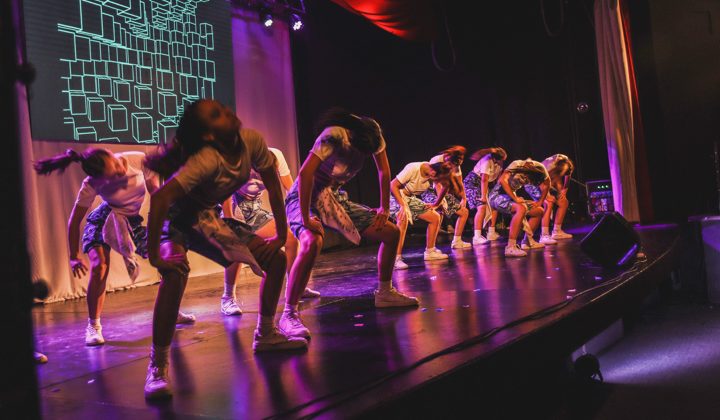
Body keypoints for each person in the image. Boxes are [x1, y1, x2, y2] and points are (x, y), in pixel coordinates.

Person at [142, 99, 307, 400]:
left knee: (278, 259)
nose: (228, 113)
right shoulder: (206, 159)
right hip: (178, 221)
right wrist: (155, 257)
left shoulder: (251, 141)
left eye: (222, 108)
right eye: (217, 115)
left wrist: (282, 232)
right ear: (207, 136)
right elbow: (161, 200)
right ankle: (157, 365)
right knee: (175, 273)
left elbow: (272, 182)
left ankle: (266, 333)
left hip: (208, 218)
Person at [33, 148, 195, 347]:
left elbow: (155, 194)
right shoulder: (91, 184)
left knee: (166, 257)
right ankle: (93, 326)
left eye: (118, 168)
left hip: (132, 221)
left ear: (111, 154)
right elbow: (74, 221)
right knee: (100, 266)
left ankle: (171, 311)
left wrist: (163, 224)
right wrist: (74, 255)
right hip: (104, 219)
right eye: (114, 176)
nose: (120, 173)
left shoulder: (138, 160)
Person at [282, 108, 419, 339]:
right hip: (304, 196)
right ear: (352, 139)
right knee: (312, 241)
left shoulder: (373, 133)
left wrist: (384, 208)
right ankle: (289, 313)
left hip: (334, 197)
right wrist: (306, 218)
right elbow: (306, 175)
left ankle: (385, 293)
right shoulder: (334, 135)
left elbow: (384, 172)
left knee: (390, 232)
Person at [219, 147, 320, 317]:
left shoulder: (276, 156)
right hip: (233, 210)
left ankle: (294, 287)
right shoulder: (237, 162)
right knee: (236, 247)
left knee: (289, 236)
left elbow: (291, 189)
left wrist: (304, 214)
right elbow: (226, 196)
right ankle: (227, 298)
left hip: (255, 212)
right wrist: (230, 224)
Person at [390, 160, 455, 270]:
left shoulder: (433, 173)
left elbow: (445, 187)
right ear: (433, 173)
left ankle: (430, 252)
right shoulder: (413, 168)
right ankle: (396, 259)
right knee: (403, 218)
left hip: (409, 198)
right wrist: (402, 206)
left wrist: (436, 204)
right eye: (438, 179)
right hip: (395, 197)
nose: (438, 182)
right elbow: (393, 185)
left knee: (435, 217)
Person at [488, 158, 550, 257]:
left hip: (511, 197)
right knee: (520, 208)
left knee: (539, 211)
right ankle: (510, 247)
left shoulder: (535, 171)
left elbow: (547, 184)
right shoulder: (516, 164)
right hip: (497, 196)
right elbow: (502, 181)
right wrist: (515, 198)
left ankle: (527, 242)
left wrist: (540, 201)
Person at [422, 146, 471, 249]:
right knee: (437, 214)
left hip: (443, 189)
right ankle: (430, 249)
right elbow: (436, 182)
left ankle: (457, 242)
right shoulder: (436, 160)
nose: (453, 167)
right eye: (452, 164)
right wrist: (441, 201)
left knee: (464, 212)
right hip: (429, 189)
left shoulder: (456, 165)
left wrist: (464, 198)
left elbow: (459, 182)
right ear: (448, 158)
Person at [523, 154, 575, 244]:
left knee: (564, 202)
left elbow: (567, 177)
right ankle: (544, 235)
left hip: (545, 183)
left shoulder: (567, 164)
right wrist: (547, 196)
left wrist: (564, 191)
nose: (561, 175)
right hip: (532, 182)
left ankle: (557, 232)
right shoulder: (548, 167)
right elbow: (542, 183)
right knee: (548, 203)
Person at [463, 147, 507, 244]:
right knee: (482, 206)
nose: (502, 162)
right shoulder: (486, 161)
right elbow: (484, 179)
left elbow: (498, 176)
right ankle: (477, 237)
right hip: (473, 183)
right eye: (501, 160)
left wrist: (496, 190)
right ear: (495, 158)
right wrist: (483, 196)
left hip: (486, 184)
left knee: (493, 205)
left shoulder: (500, 161)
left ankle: (491, 232)